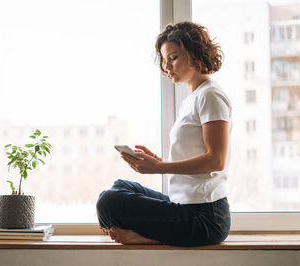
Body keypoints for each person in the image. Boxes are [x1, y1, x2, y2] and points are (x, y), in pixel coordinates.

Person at [96, 21, 232, 247]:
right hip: (185, 204)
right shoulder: (192, 98)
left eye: (174, 57)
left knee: (108, 202)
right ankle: (150, 234)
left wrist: (160, 169)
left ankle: (146, 238)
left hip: (207, 217)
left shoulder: (211, 96)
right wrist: (160, 163)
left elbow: (216, 160)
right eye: (164, 59)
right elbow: (196, 158)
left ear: (195, 53)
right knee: (121, 186)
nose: (167, 66)